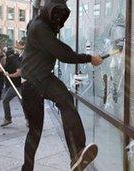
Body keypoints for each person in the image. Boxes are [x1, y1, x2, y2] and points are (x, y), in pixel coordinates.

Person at [20, 0, 103, 170]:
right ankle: (76, 153)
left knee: (62, 104)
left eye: (61, 17)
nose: (58, 21)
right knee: (39, 128)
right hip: (34, 82)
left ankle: (76, 154)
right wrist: (89, 58)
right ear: (48, 11)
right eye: (56, 15)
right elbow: (62, 53)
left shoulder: (41, 24)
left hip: (39, 78)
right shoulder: (39, 28)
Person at [0, 48, 22, 127]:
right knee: (5, 100)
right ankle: (8, 118)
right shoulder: (8, 62)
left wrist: (9, 75)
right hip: (11, 86)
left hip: (18, 86)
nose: (5, 57)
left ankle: (28, 119)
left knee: (23, 104)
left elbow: (19, 73)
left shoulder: (15, 61)